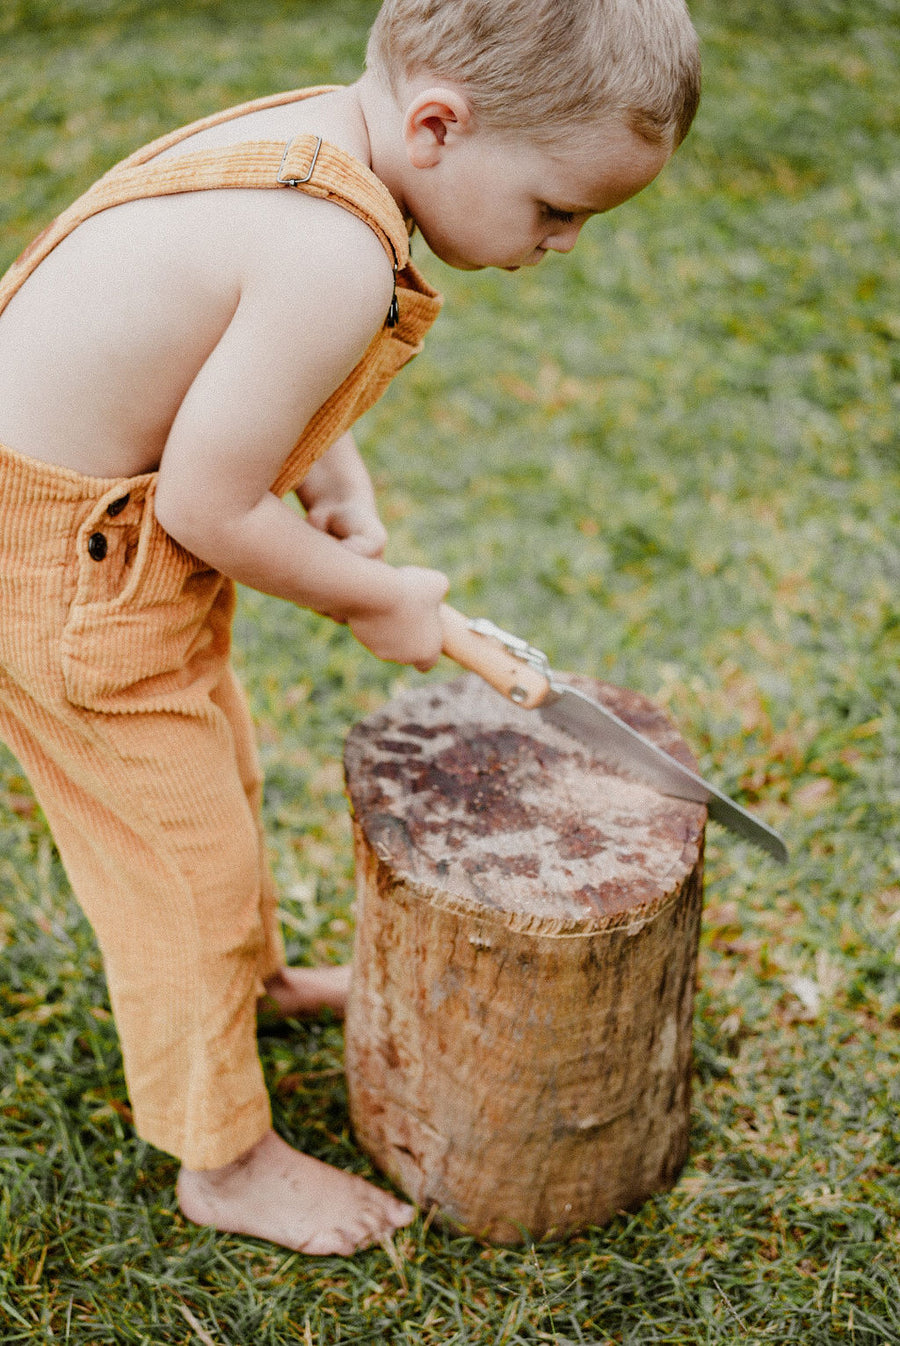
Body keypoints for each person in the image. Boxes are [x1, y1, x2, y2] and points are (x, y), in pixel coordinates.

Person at [0, 0, 700, 1255]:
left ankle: (254, 986)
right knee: (178, 864)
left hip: (101, 533)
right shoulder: (331, 252)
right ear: (439, 125)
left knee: (218, 775)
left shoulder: (323, 138)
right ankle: (224, 1157)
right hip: (63, 567)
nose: (568, 243)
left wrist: (335, 476)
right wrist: (377, 596)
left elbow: (240, 364)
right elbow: (213, 506)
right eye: (558, 208)